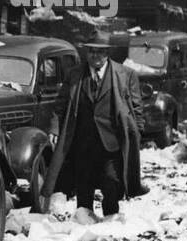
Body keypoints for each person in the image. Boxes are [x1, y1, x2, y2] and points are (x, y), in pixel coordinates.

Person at [42, 38, 144, 222]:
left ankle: (111, 217)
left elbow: (136, 108)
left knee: (112, 181)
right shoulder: (74, 75)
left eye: (100, 51)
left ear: (107, 53)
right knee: (84, 185)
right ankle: (85, 221)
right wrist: (55, 129)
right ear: (86, 52)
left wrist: (137, 133)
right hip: (83, 142)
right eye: (92, 51)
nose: (95, 55)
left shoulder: (125, 74)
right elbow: (60, 106)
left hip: (111, 142)